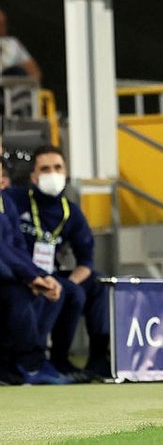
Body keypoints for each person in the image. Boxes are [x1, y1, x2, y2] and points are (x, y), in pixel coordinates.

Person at [7, 145, 111, 380]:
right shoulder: (15, 199)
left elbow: (86, 261)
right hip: (22, 270)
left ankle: (97, 359)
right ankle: (51, 359)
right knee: (69, 292)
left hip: (52, 272)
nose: (52, 174)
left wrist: (70, 282)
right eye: (45, 169)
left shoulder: (70, 211)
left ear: (65, 172)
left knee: (97, 284)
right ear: (33, 176)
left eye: (57, 168)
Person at [0, 147, 69, 385]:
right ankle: (30, 364)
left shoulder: (6, 203)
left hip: (11, 273)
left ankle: (26, 363)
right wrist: (30, 277)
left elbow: (18, 246)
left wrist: (40, 275)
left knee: (51, 292)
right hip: (6, 276)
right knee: (20, 295)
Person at [0, 8, 42, 79]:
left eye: (3, 24)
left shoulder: (13, 44)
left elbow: (36, 73)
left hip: (11, 83)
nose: (2, 28)